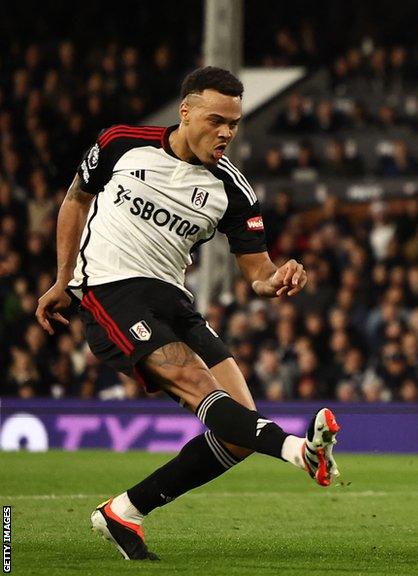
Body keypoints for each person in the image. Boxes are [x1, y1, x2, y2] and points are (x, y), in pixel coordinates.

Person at [34, 67, 341, 561]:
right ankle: (299, 452)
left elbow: (257, 273)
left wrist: (276, 277)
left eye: (235, 124)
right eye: (216, 120)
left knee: (238, 431)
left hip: (174, 301)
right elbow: (76, 199)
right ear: (186, 112)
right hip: (110, 290)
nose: (226, 133)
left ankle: (124, 512)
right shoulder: (121, 142)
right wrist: (63, 278)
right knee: (202, 389)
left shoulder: (232, 190)